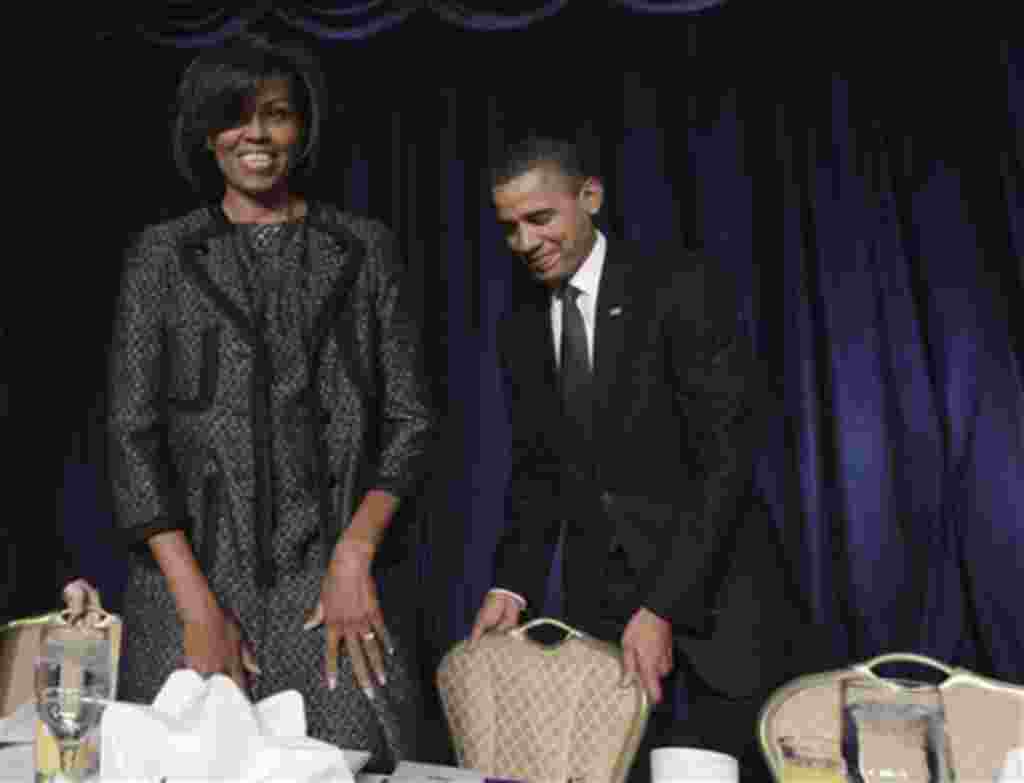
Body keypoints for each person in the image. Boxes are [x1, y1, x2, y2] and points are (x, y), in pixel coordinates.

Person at [107, 36, 435, 770]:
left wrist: (355, 553)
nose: (257, 134)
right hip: (190, 581)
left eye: (277, 115)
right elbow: (132, 437)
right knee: (182, 764)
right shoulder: (163, 255)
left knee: (352, 759)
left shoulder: (362, 249)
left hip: (325, 584)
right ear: (206, 132)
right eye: (236, 116)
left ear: (303, 128)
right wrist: (195, 603)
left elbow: (412, 421)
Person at [470, 137, 808, 781]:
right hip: (602, 613)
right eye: (509, 229)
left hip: (717, 602)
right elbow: (539, 470)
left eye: (540, 219)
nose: (525, 242)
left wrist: (663, 607)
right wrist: (510, 584)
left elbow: (725, 464)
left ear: (589, 197)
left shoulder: (678, 284)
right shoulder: (520, 322)